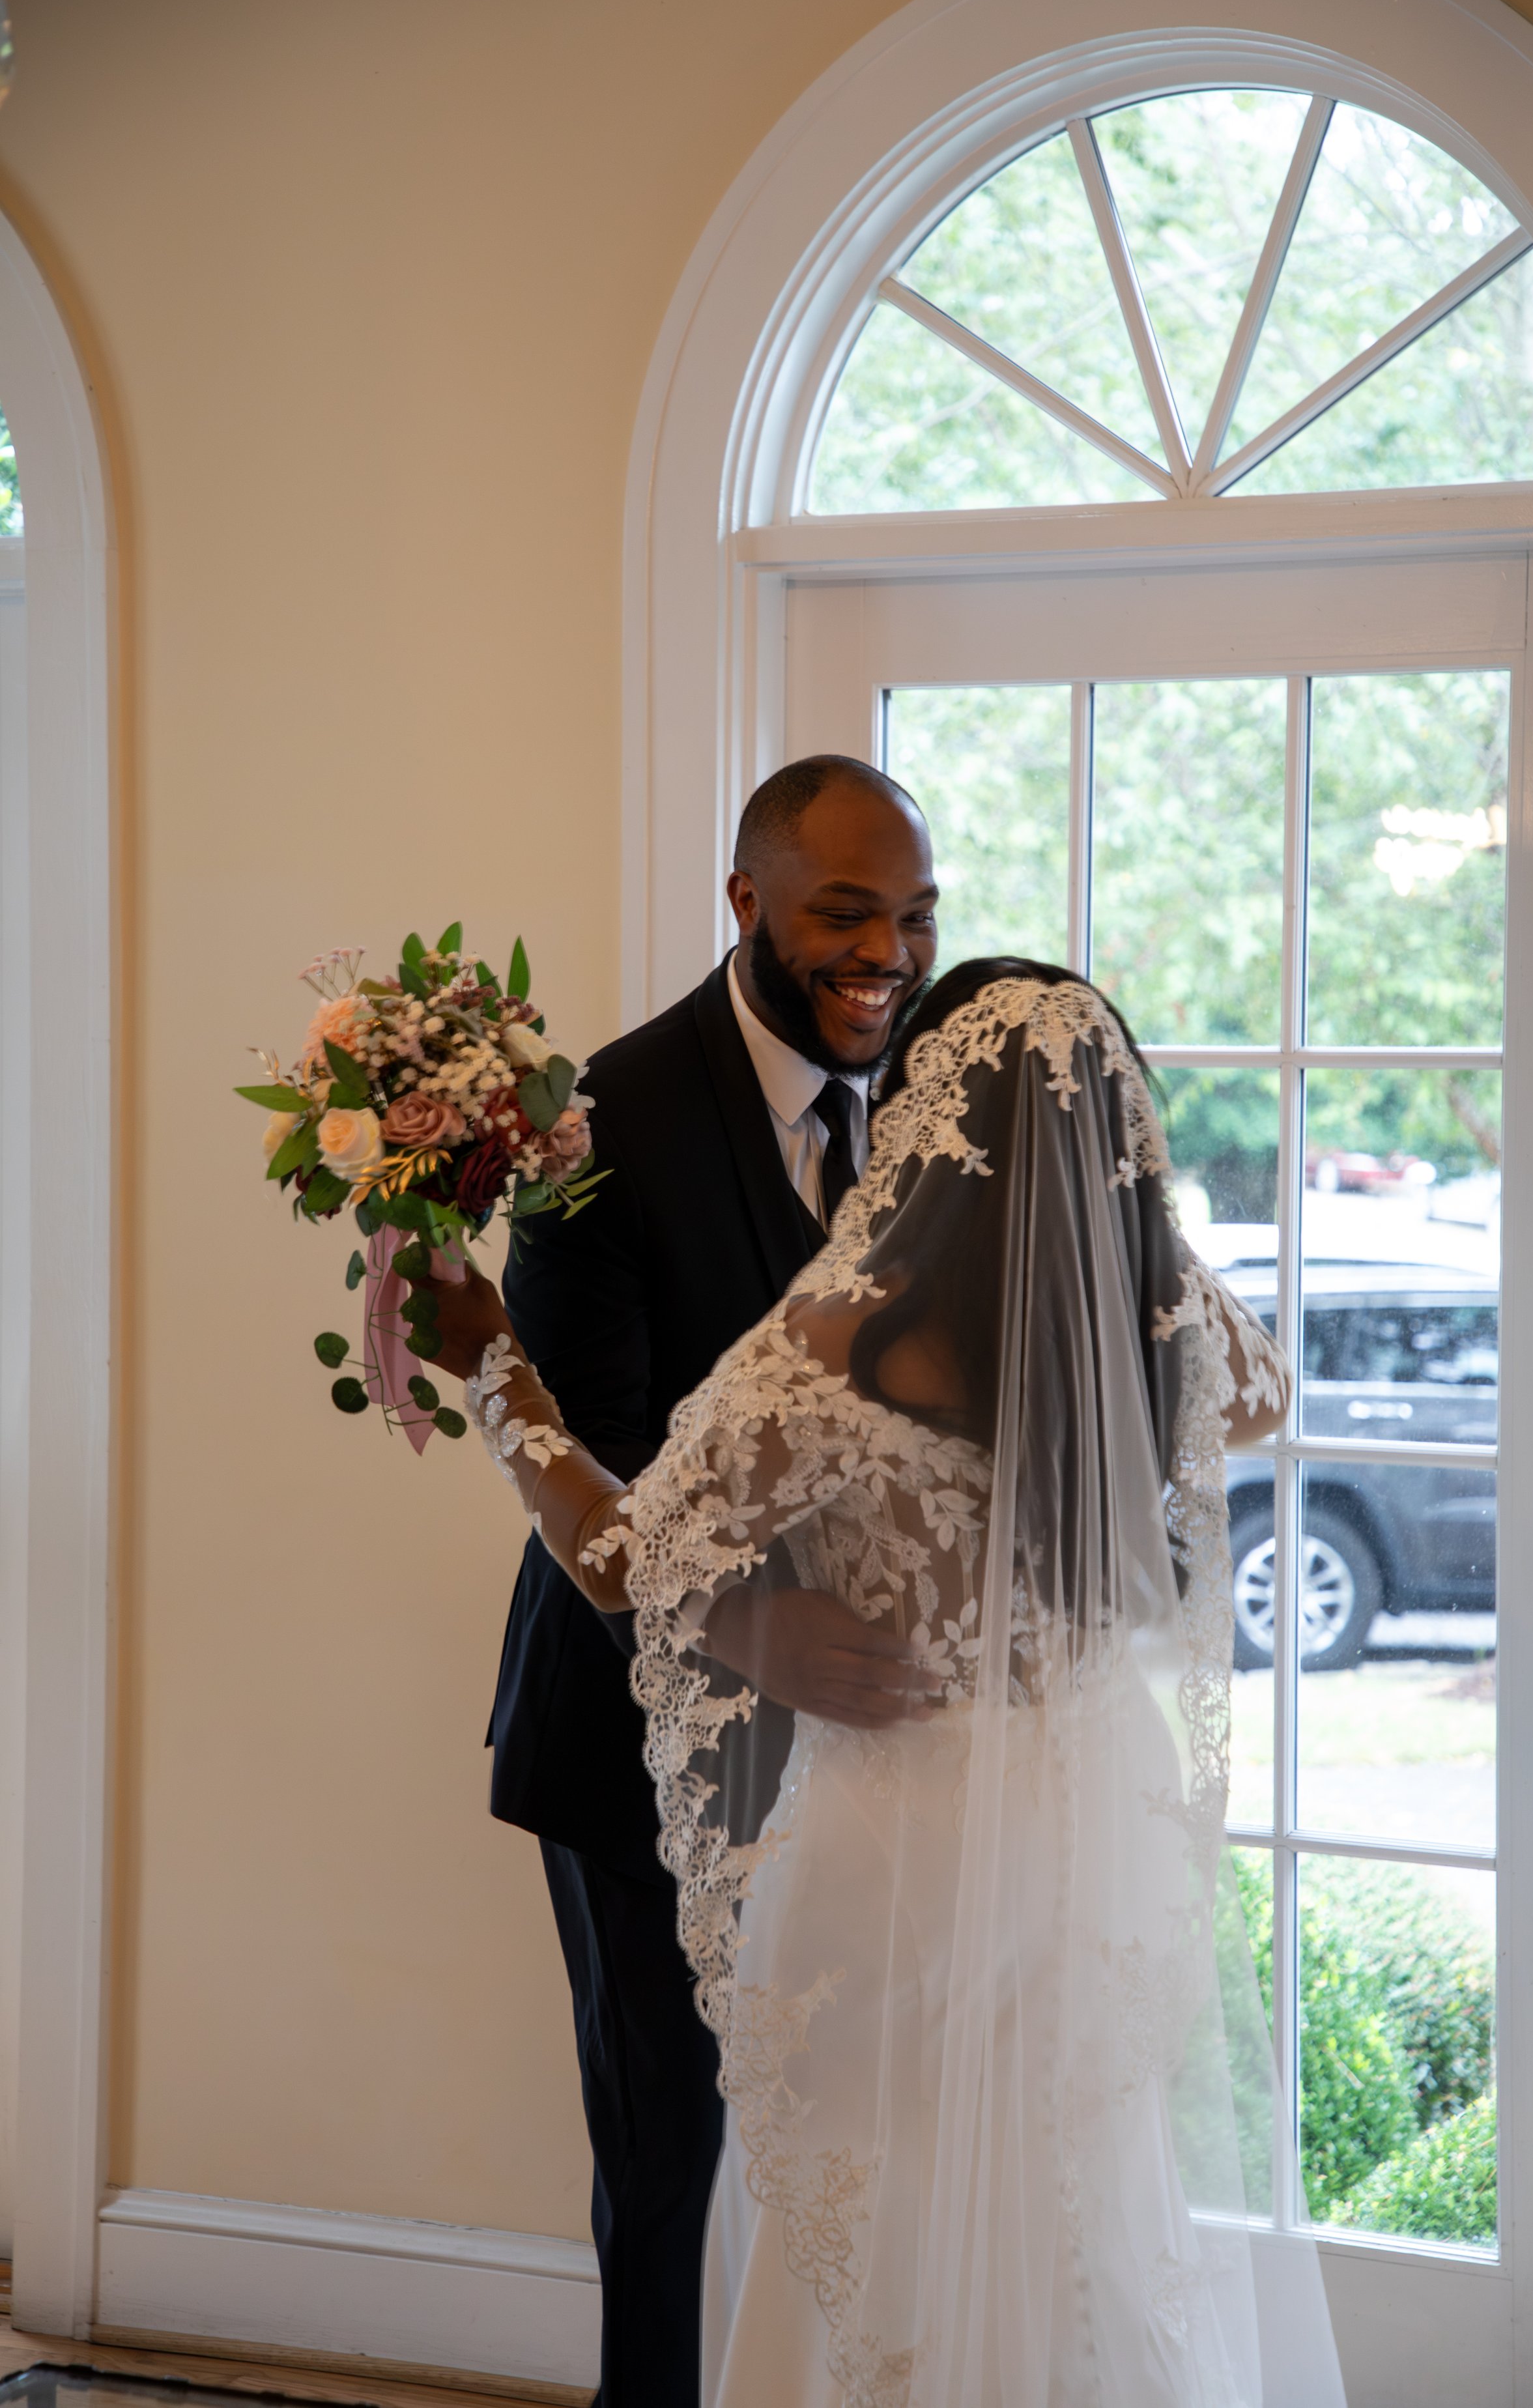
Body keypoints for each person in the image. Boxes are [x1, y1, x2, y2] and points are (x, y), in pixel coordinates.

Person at [437, 959, 1347, 2408]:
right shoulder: (1167, 1337)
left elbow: (620, 1557)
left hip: (897, 1837)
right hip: (1076, 1836)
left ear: (923, 1125)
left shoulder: (840, 1350)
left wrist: (497, 1373)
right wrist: (1120, 1235)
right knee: (1069, 2205)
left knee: (881, 2213)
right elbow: (1262, 1394)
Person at [489, 754, 940, 2407]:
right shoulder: (597, 1130)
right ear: (743, 901)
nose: (881, 952)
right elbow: (585, 1472)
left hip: (872, 1764)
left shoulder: (926, 1102)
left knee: (863, 2153)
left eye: (909, 916)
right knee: (665, 2161)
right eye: (842, 913)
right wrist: (764, 1634)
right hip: (636, 1744)